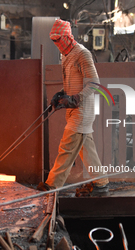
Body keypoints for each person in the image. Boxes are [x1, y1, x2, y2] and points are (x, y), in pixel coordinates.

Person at [37, 19, 109, 196]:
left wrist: (76, 98)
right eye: (54, 41)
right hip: (74, 109)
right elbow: (71, 83)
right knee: (85, 148)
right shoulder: (66, 56)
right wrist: (61, 94)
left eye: (59, 40)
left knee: (67, 147)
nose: (57, 44)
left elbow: (94, 83)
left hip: (83, 110)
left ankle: (52, 186)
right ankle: (101, 182)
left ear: (68, 37)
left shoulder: (82, 54)